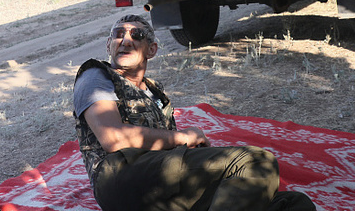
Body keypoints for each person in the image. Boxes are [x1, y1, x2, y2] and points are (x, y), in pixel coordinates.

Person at [73, 14, 317, 211]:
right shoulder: (96, 75)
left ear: (152, 49)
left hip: (162, 180)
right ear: (108, 45)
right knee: (255, 161)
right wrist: (183, 138)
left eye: (136, 35)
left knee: (294, 204)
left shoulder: (155, 91)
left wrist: (201, 155)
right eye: (118, 34)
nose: (125, 40)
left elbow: (174, 160)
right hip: (120, 176)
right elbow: (113, 138)